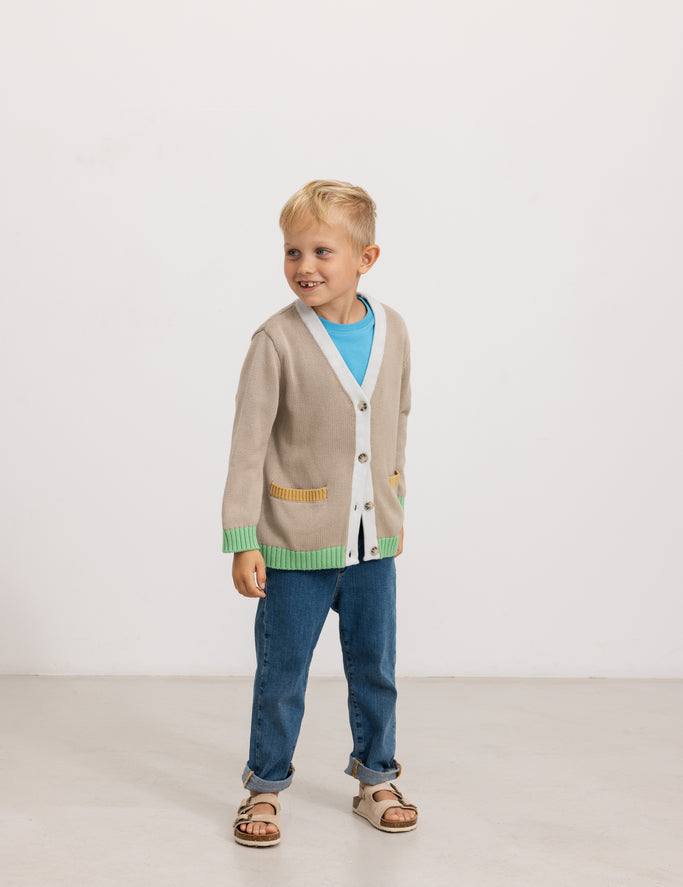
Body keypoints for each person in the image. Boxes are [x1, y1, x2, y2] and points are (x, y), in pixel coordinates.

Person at [221, 179, 417, 847]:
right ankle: (264, 786)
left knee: (375, 669)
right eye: (293, 252)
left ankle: (376, 778)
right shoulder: (275, 339)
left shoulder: (393, 330)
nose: (304, 266)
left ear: (366, 257)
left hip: (371, 544)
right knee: (282, 675)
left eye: (322, 252)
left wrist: (393, 507)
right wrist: (242, 538)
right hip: (291, 542)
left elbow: (396, 420)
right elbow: (248, 445)